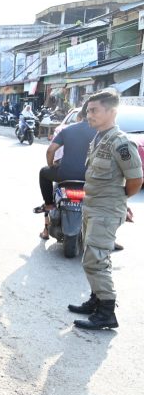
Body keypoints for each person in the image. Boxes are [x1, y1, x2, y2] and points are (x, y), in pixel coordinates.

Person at [68, 90, 142, 330]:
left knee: (95, 261)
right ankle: (96, 299)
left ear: (112, 111)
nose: (89, 115)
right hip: (92, 207)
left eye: (94, 110)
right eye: (88, 110)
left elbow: (135, 181)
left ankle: (107, 313)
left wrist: (117, 200)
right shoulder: (99, 138)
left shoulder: (121, 142)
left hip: (105, 210)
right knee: (94, 255)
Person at [35, 103, 94, 239]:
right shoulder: (101, 132)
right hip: (90, 177)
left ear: (79, 116)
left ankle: (49, 205)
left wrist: (51, 166)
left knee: (44, 174)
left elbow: (50, 150)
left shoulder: (67, 130)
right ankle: (111, 240)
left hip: (65, 175)